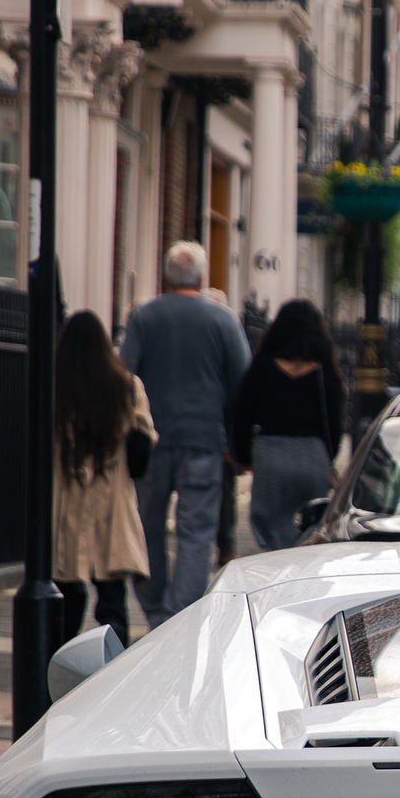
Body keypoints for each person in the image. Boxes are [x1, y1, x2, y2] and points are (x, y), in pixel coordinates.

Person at [121, 240, 251, 626]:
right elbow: (241, 381)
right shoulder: (223, 319)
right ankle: (180, 617)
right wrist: (233, 438)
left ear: (166, 275)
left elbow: (124, 372)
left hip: (152, 441)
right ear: (202, 275)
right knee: (196, 532)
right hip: (204, 441)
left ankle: (155, 607)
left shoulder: (144, 316)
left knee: (148, 526)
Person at [52, 311, 153, 643]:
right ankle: (113, 673)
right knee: (112, 602)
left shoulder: (54, 388)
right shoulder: (126, 387)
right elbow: (141, 451)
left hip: (65, 501)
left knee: (66, 595)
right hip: (111, 502)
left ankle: (57, 669)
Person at [233, 299, 347, 551]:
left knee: (272, 532)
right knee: (308, 530)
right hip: (312, 458)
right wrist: (327, 457)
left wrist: (243, 456)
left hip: (271, 456)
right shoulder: (325, 372)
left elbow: (241, 417)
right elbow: (335, 427)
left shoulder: (261, 367)